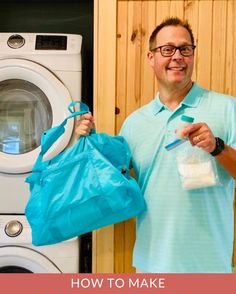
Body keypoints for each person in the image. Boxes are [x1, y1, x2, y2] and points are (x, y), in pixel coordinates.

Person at [77, 17, 236, 273]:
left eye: (185, 49)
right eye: (167, 49)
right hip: (151, 269)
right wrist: (91, 145)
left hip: (211, 269)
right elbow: (112, 187)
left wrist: (217, 147)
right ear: (151, 58)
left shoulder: (228, 108)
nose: (177, 56)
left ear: (193, 55)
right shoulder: (134, 124)